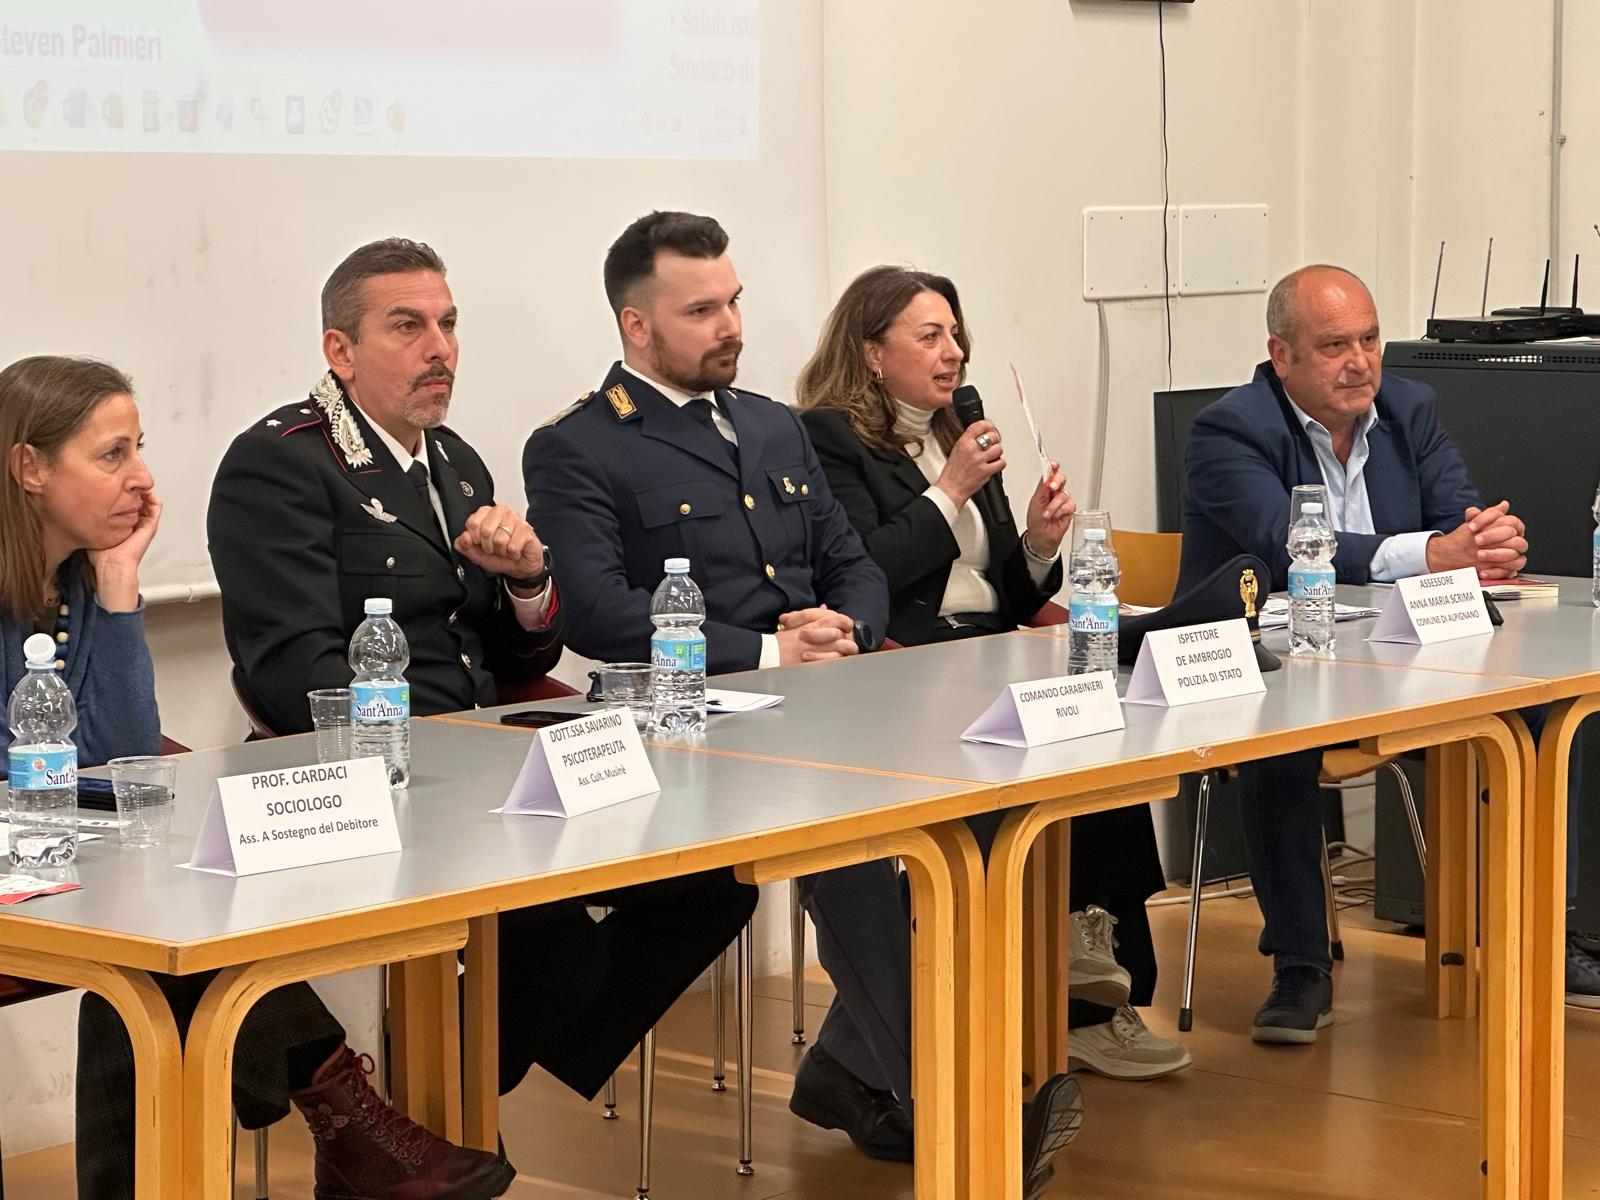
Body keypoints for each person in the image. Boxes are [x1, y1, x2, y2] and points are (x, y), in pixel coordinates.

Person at [524, 212, 1081, 1200]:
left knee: (996, 802)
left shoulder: (771, 425)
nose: (730, 325)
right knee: (859, 846)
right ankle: (959, 1113)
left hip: (827, 701)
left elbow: (851, 561)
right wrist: (769, 650)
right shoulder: (579, 445)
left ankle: (853, 1064)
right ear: (637, 325)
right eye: (702, 310)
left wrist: (846, 630)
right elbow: (600, 613)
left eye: (733, 302)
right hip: (692, 725)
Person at [208, 239, 758, 1126]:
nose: (440, 349)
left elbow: (515, 663)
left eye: (449, 324)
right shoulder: (282, 461)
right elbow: (290, 674)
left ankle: (435, 1098)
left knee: (709, 884)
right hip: (379, 774)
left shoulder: (455, 462)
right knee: (554, 943)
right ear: (339, 351)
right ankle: (429, 1117)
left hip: (481, 763)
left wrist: (529, 582)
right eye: (408, 327)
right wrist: (443, 763)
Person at [0, 355, 514, 1200]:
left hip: (58, 857)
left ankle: (346, 1126)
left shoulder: (79, 583)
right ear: (29, 467)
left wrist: (122, 583)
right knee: (164, 934)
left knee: (163, 944)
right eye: (112, 455)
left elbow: (120, 754)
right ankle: (348, 1120)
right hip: (27, 863)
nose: (143, 479)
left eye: (139, 449)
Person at [1181, 263, 1598, 1039]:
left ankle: (1547, 933)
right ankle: (1300, 966)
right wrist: (1434, 553)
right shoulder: (1230, 429)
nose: (1361, 362)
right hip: (1276, 661)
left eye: (1370, 340)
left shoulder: (1410, 407)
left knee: (1547, 708)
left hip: (1404, 658)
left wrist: (1484, 544)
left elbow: (1455, 515)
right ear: (1282, 356)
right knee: (1279, 740)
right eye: (1335, 345)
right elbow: (1287, 542)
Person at [795, 263, 1189, 1082]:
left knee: (1101, 726)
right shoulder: (830, 440)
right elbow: (864, 572)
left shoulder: (959, 431)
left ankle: (1091, 962)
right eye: (930, 336)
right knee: (1040, 744)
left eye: (956, 335)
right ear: (872, 353)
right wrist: (949, 492)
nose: (954, 353)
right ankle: (1055, 994)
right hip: (906, 663)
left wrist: (1039, 542)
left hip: (988, 647)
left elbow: (1011, 591)